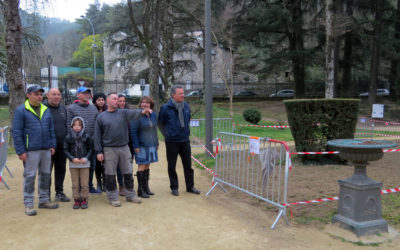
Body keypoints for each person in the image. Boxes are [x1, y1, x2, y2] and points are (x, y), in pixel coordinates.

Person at [94, 93, 152, 207]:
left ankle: (130, 195)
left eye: (118, 99)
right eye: (114, 99)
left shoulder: (123, 112)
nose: (117, 101)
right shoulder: (101, 117)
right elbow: (97, 135)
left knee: (128, 172)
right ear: (108, 101)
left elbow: (134, 113)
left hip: (124, 147)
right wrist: (99, 151)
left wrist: (143, 111)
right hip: (109, 149)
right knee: (110, 174)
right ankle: (113, 197)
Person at [12, 85, 59, 216]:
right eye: (36, 94)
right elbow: (16, 132)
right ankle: (28, 204)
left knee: (45, 175)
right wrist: (21, 151)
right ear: (28, 95)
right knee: (30, 177)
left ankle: (44, 200)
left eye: (40, 94)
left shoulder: (46, 109)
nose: (39, 97)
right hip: (30, 150)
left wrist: (52, 145)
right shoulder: (21, 110)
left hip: (46, 149)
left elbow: (51, 129)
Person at [158, 85, 200, 196]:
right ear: (173, 95)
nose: (183, 95)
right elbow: (160, 123)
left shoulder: (186, 106)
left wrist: (186, 131)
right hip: (172, 141)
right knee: (172, 165)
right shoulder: (165, 108)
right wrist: (167, 135)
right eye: (180, 93)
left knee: (188, 165)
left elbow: (187, 120)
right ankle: (174, 187)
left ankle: (190, 186)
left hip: (184, 140)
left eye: (183, 93)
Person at [67, 86, 101, 194]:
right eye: (84, 93)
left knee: (91, 165)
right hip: (78, 142)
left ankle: (89, 186)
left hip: (91, 141)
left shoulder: (93, 108)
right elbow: (69, 125)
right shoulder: (71, 108)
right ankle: (79, 188)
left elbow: (97, 125)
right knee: (78, 166)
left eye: (88, 93)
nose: (86, 95)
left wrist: (95, 139)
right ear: (78, 94)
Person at [43, 88, 70, 202]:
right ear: (47, 96)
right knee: (46, 172)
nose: (56, 97)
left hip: (61, 146)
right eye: (53, 94)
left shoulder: (63, 108)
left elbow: (66, 125)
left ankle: (59, 193)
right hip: (47, 147)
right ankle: (46, 195)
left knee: (61, 170)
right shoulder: (42, 108)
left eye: (58, 94)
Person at [130, 96, 158, 198]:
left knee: (147, 165)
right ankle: (140, 190)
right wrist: (136, 145)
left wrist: (156, 143)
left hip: (151, 144)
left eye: (147, 103)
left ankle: (146, 188)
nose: (145, 104)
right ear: (140, 104)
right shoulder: (136, 115)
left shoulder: (153, 115)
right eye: (143, 102)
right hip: (141, 145)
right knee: (141, 165)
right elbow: (133, 131)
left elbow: (154, 129)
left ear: (150, 105)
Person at [64, 117, 92, 209]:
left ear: (82, 126)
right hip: (74, 164)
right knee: (75, 183)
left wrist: (86, 158)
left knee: (84, 183)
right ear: (72, 126)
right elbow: (65, 149)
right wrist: (72, 159)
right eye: (75, 125)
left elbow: (91, 149)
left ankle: (84, 199)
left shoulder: (87, 136)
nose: (76, 127)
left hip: (84, 163)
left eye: (79, 125)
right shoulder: (68, 137)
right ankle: (76, 199)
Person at [92, 92, 107, 192]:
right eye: (99, 100)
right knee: (97, 163)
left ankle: (105, 182)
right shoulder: (93, 110)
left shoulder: (107, 110)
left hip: (106, 139)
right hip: (96, 139)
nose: (101, 102)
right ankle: (98, 183)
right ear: (95, 101)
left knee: (106, 163)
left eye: (102, 100)